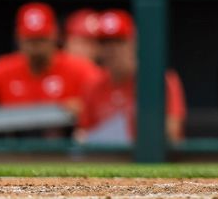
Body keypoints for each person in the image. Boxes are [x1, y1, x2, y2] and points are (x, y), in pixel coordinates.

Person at [0, 2, 101, 135]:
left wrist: (82, 107)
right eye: (30, 39)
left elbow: (108, 96)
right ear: (18, 37)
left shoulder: (78, 67)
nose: (36, 46)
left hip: (64, 152)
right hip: (14, 151)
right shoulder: (5, 67)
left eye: (41, 38)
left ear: (54, 35)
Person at [76, 9, 186, 144]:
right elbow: (83, 135)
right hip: (108, 161)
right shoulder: (92, 85)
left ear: (134, 43)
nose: (111, 50)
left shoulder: (159, 80)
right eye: (104, 43)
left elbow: (172, 135)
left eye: (119, 42)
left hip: (151, 161)